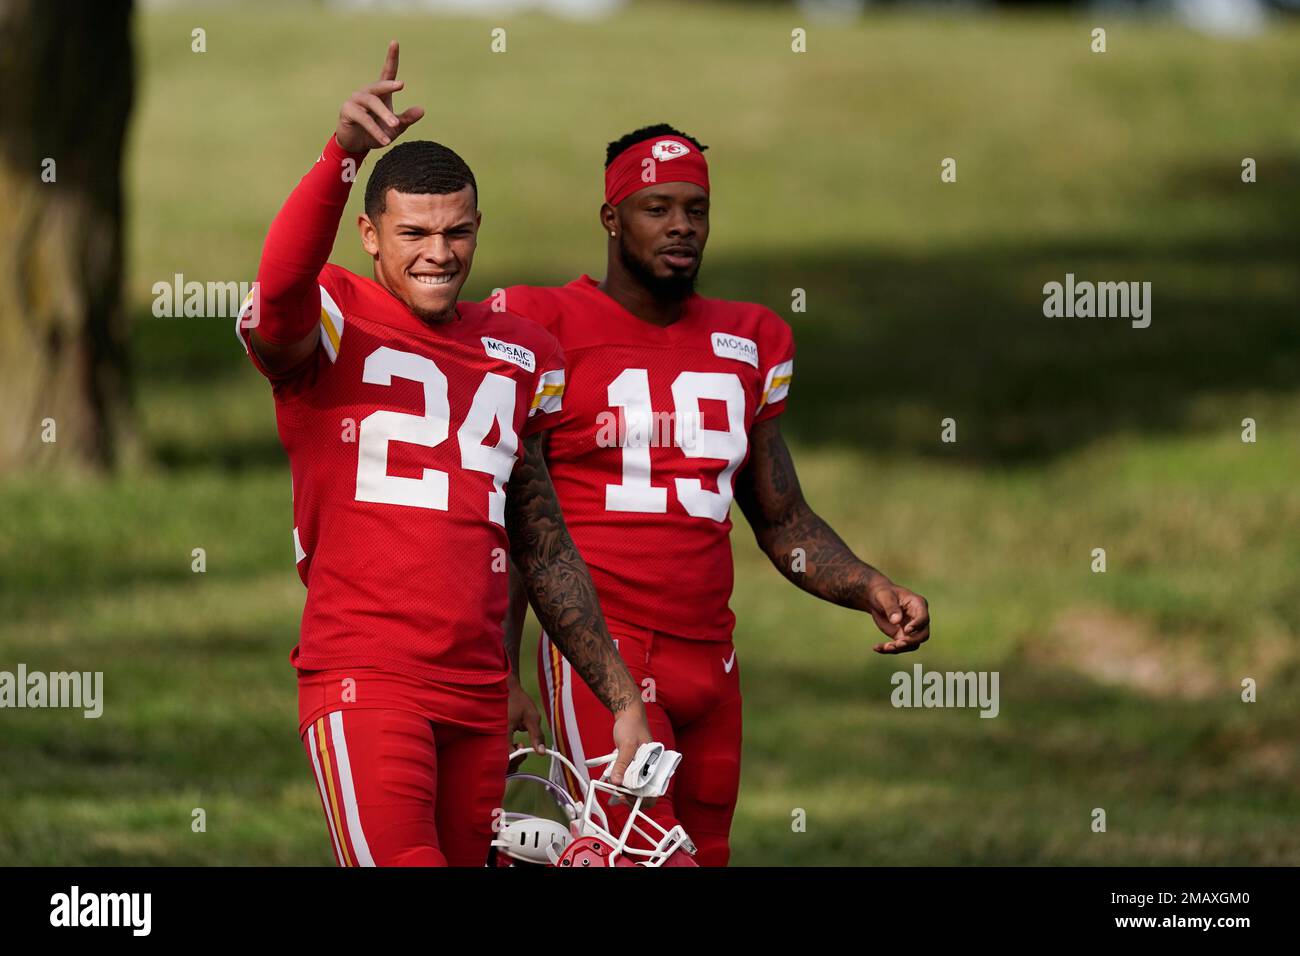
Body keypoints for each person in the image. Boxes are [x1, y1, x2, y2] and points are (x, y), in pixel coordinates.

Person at [236, 42, 650, 866]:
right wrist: (340, 157)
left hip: (475, 692)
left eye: (457, 230)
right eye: (415, 231)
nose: (439, 251)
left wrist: (619, 695)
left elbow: (537, 538)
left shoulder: (520, 351)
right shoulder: (334, 316)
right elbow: (280, 291)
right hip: (367, 676)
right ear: (368, 234)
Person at [498, 124, 930, 866]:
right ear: (611, 218)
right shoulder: (542, 323)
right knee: (642, 856)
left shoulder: (750, 337)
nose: (681, 227)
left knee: (702, 853)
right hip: (604, 647)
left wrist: (868, 585)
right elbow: (515, 519)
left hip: (712, 657)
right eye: (656, 208)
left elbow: (780, 514)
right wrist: (501, 666)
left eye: (695, 210)